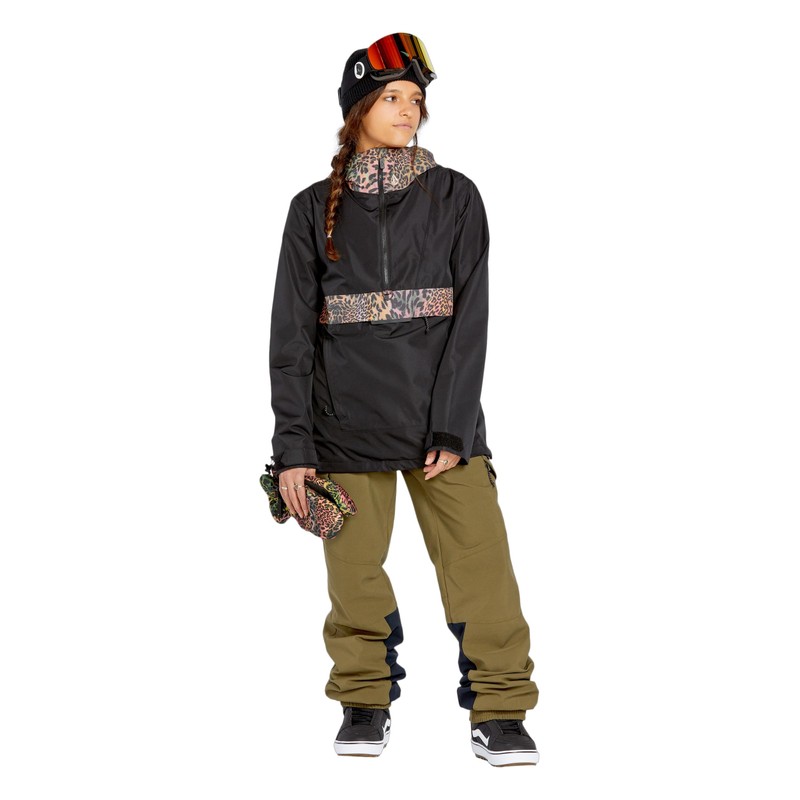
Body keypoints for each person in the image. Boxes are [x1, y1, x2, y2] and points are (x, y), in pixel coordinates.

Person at [268, 32, 540, 767]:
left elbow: (472, 323)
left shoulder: (456, 197)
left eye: (415, 98)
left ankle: (501, 709)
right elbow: (291, 339)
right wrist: (293, 449)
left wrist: (453, 427)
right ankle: (363, 699)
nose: (407, 110)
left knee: (482, 567)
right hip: (344, 425)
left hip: (441, 428)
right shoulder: (309, 210)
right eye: (391, 97)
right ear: (357, 108)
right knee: (353, 575)